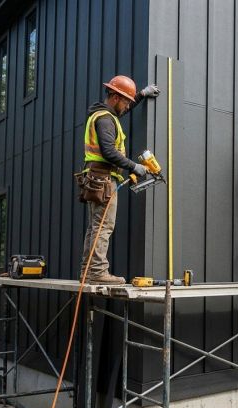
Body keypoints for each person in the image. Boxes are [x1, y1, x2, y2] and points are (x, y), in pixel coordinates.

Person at [78, 75, 160, 285]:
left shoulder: (103, 115)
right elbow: (108, 151)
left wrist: (141, 94)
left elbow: (122, 113)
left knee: (95, 226)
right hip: (103, 179)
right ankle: (96, 272)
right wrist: (135, 166)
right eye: (126, 101)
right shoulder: (105, 119)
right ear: (114, 97)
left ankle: (88, 271)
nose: (127, 106)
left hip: (96, 177)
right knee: (103, 226)